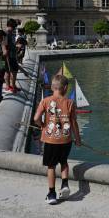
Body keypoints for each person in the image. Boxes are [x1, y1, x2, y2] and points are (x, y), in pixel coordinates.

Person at [33, 74, 81, 205]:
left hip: (50, 140)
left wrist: (42, 126)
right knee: (64, 162)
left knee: (51, 166)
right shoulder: (70, 103)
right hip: (66, 140)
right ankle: (65, 184)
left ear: (53, 87)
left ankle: (51, 193)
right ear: (65, 88)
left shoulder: (45, 101)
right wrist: (77, 139)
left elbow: (36, 118)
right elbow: (74, 123)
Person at [3, 19, 19, 93]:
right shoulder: (6, 33)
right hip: (9, 55)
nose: (15, 28)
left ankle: (12, 85)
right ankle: (9, 86)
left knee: (10, 70)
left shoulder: (10, 33)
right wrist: (5, 52)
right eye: (14, 27)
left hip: (11, 54)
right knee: (11, 71)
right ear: (11, 26)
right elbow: (4, 44)